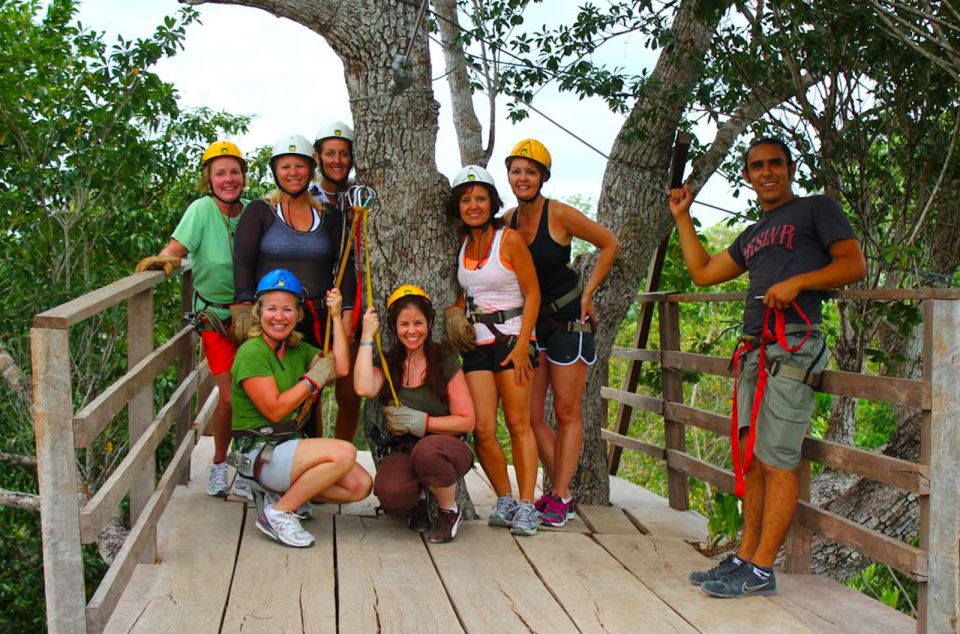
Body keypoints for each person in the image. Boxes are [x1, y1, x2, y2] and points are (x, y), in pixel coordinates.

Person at [669, 137, 866, 597]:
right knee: (753, 461)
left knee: (779, 461)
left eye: (775, 163)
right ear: (747, 176)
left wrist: (798, 281)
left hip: (793, 345)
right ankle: (746, 556)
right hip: (755, 351)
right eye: (757, 166)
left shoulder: (816, 209)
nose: (767, 172)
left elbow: (854, 263)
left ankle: (762, 569)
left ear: (790, 168)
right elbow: (702, 272)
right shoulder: (755, 233)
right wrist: (682, 216)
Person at [502, 139, 620, 527]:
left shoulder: (560, 215)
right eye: (516, 171)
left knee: (567, 412)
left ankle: (562, 496)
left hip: (570, 322)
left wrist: (590, 292)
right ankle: (558, 492)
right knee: (532, 417)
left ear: (543, 177)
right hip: (533, 329)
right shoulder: (508, 222)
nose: (522, 178)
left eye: (530, 171)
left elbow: (609, 243)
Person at [135, 140, 249, 498]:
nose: (228, 179)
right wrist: (164, 260)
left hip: (252, 316)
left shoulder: (252, 213)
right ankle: (219, 463)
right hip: (215, 317)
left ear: (244, 176)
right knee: (230, 397)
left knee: (256, 393)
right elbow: (176, 248)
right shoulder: (200, 211)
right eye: (220, 173)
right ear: (209, 179)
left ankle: (247, 464)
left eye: (234, 172)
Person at [231, 269, 372, 548]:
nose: (279, 316)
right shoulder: (252, 352)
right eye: (271, 309)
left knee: (360, 486)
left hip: (286, 447)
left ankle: (284, 497)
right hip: (260, 450)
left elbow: (341, 367)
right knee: (344, 451)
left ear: (298, 314)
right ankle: (279, 513)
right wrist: (311, 381)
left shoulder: (298, 348)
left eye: (287, 309)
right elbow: (274, 411)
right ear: (259, 313)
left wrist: (335, 317)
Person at [232, 133, 357, 440]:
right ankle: (259, 452)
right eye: (285, 166)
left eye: (300, 166)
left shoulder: (328, 214)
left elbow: (345, 267)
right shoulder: (261, 211)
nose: (293, 173)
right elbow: (243, 261)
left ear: (310, 169)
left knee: (311, 391)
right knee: (271, 381)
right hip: (271, 313)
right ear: (275, 171)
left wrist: (347, 313)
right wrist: (243, 305)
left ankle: (308, 452)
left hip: (316, 314)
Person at [444, 165, 542, 536]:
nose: (473, 205)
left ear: (492, 202)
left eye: (480, 198)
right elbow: (470, 290)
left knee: (518, 424)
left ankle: (528, 504)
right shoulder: (464, 245)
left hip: (514, 337)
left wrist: (522, 346)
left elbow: (533, 293)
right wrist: (455, 311)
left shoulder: (510, 240)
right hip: (478, 344)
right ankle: (505, 498)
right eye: (466, 199)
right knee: (483, 428)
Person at [353, 285, 476, 543]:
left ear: (429, 322)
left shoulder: (444, 359)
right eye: (404, 324)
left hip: (447, 450)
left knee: (427, 450)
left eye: (418, 323)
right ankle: (417, 501)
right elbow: (364, 387)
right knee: (390, 491)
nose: (412, 331)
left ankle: (448, 511)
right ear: (394, 326)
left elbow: (467, 420)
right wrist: (366, 336)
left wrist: (422, 422)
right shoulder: (389, 363)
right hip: (407, 450)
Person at [307, 121, 363, 444]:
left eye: (344, 153)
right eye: (330, 153)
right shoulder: (307, 196)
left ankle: (341, 452)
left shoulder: (361, 196)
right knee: (312, 383)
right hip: (317, 295)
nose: (337, 160)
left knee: (349, 390)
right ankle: (313, 450)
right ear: (318, 156)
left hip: (356, 296)